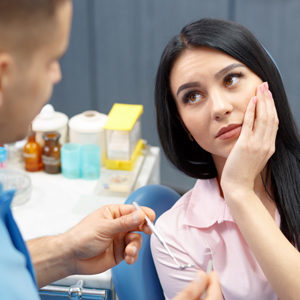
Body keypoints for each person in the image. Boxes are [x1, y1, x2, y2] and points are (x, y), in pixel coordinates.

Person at [0, 1, 220, 299]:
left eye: (232, 80)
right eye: (51, 60)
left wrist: (65, 253)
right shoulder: (180, 234)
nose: (57, 76)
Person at [151, 17, 300, 300]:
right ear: (184, 126)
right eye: (193, 96)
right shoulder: (175, 237)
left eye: (231, 79)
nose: (219, 108)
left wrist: (239, 190)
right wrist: (238, 189)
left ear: (266, 81)